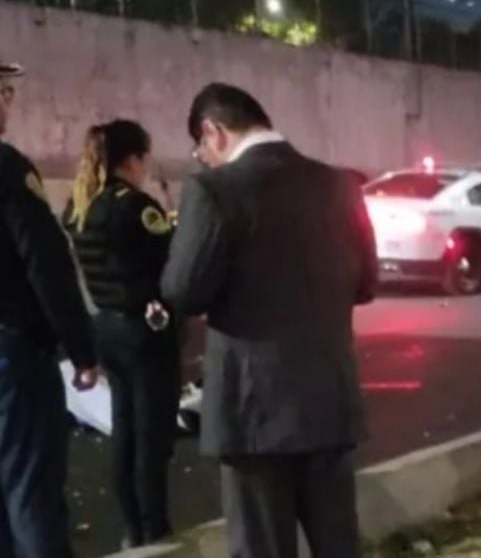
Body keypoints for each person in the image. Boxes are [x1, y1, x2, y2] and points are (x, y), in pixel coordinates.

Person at [160, 83, 377, 558]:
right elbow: (366, 284)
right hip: (328, 400)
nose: (204, 161)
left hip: (252, 408)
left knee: (261, 548)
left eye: (201, 151)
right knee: (339, 545)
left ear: (212, 132)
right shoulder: (340, 184)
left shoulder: (213, 191)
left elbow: (184, 290)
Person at [0, 60, 100, 557]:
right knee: (31, 491)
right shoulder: (7, 168)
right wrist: (82, 348)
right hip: (11, 355)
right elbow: (45, 263)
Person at [66, 120, 179, 548]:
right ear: (132, 159)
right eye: (143, 159)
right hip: (144, 333)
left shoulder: (82, 205)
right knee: (152, 439)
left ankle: (133, 527)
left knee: (125, 430)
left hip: (107, 328)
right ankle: (157, 531)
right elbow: (171, 254)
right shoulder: (134, 206)